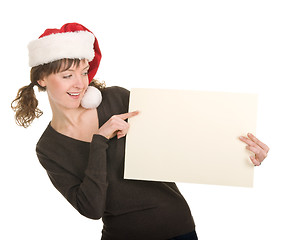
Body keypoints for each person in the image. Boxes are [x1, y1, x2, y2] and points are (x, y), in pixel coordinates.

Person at [11, 23, 269, 240]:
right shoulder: (49, 148)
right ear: (41, 78)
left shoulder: (117, 100)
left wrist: (241, 155)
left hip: (175, 228)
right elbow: (91, 208)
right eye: (68, 75)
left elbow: (186, 135)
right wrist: (100, 140)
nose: (80, 83)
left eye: (84, 72)